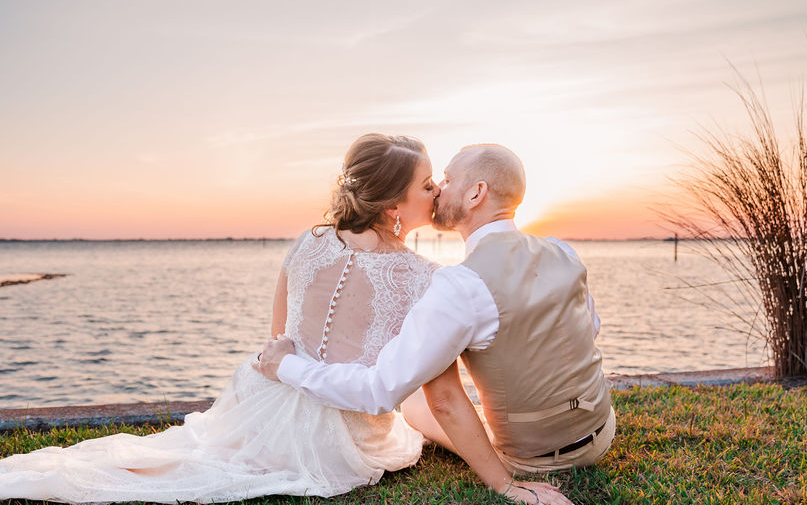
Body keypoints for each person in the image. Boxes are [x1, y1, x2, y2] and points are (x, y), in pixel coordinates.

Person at [0, 134, 570, 505]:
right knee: (411, 417)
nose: (435, 192)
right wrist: (502, 480)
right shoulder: (419, 276)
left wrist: (291, 371)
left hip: (259, 402)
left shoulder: (305, 242)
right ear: (393, 206)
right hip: (341, 433)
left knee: (180, 453)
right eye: (426, 183)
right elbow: (439, 393)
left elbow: (278, 342)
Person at [256, 144, 614, 481]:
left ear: (476, 194)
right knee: (417, 386)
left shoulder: (459, 285)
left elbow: (417, 396)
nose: (438, 190)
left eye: (445, 179)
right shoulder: (561, 251)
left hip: (530, 459)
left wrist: (284, 365)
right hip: (601, 431)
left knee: (416, 398)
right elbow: (588, 329)